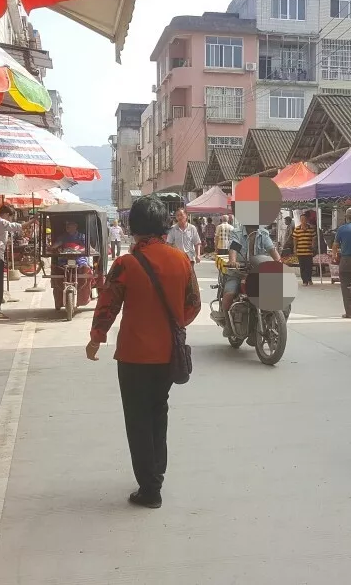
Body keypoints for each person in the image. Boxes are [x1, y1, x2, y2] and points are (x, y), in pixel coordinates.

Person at [86, 195, 201, 509]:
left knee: (137, 419)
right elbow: (193, 305)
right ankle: (156, 475)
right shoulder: (181, 260)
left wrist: (96, 338)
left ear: (132, 228)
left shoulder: (126, 263)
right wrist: (174, 323)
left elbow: (107, 304)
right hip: (168, 356)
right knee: (158, 412)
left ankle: (149, 488)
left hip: (134, 357)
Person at [218, 223, 281, 335]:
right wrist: (233, 261)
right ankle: (227, 324)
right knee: (229, 294)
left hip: (258, 272)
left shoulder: (263, 233)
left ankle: (273, 323)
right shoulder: (238, 233)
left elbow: (271, 249)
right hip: (238, 273)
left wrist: (279, 262)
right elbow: (234, 248)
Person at [0, 205, 36, 321]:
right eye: (11, 217)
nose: (10, 219)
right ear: (6, 214)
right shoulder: (0, 222)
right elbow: (18, 227)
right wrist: (33, 220)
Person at [292, 214, 316, 287]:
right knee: (302, 267)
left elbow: (314, 238)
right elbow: (295, 240)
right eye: (302, 219)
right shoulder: (297, 229)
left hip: (309, 251)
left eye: (305, 219)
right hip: (300, 251)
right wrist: (295, 249)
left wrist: (312, 245)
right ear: (300, 220)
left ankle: (309, 279)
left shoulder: (311, 229)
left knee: (309, 266)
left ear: (307, 220)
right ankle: (304, 281)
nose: (303, 221)